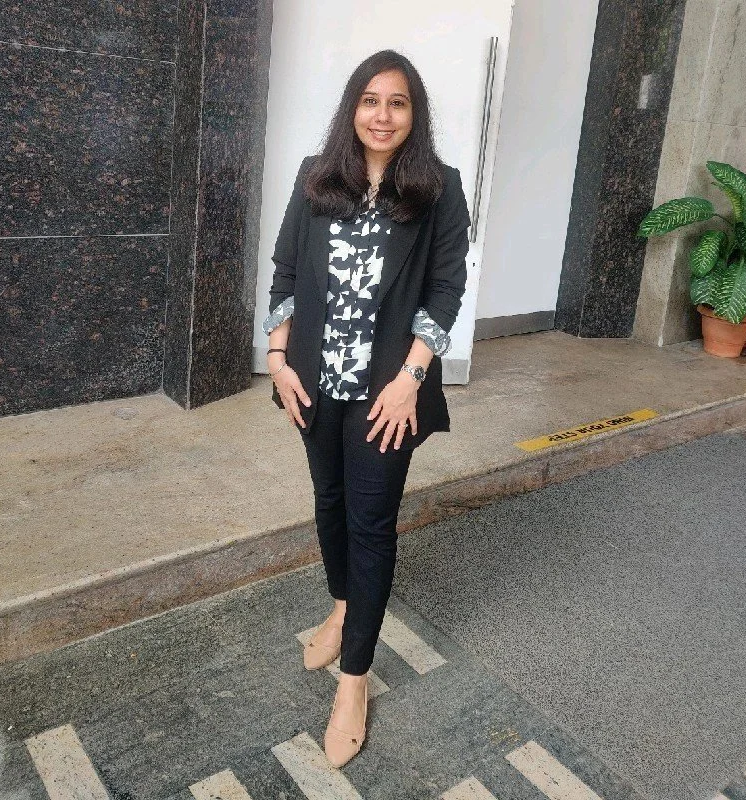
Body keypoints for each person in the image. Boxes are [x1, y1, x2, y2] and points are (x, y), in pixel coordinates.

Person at [262, 49, 470, 767]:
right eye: (371, 100)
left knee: (371, 523)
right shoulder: (316, 177)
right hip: (314, 383)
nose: (383, 115)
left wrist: (413, 376)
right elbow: (286, 271)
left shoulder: (439, 188)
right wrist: (279, 359)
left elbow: (446, 289)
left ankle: (354, 683)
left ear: (415, 115)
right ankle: (343, 607)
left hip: (389, 391)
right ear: (353, 108)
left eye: (398, 102)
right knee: (329, 500)